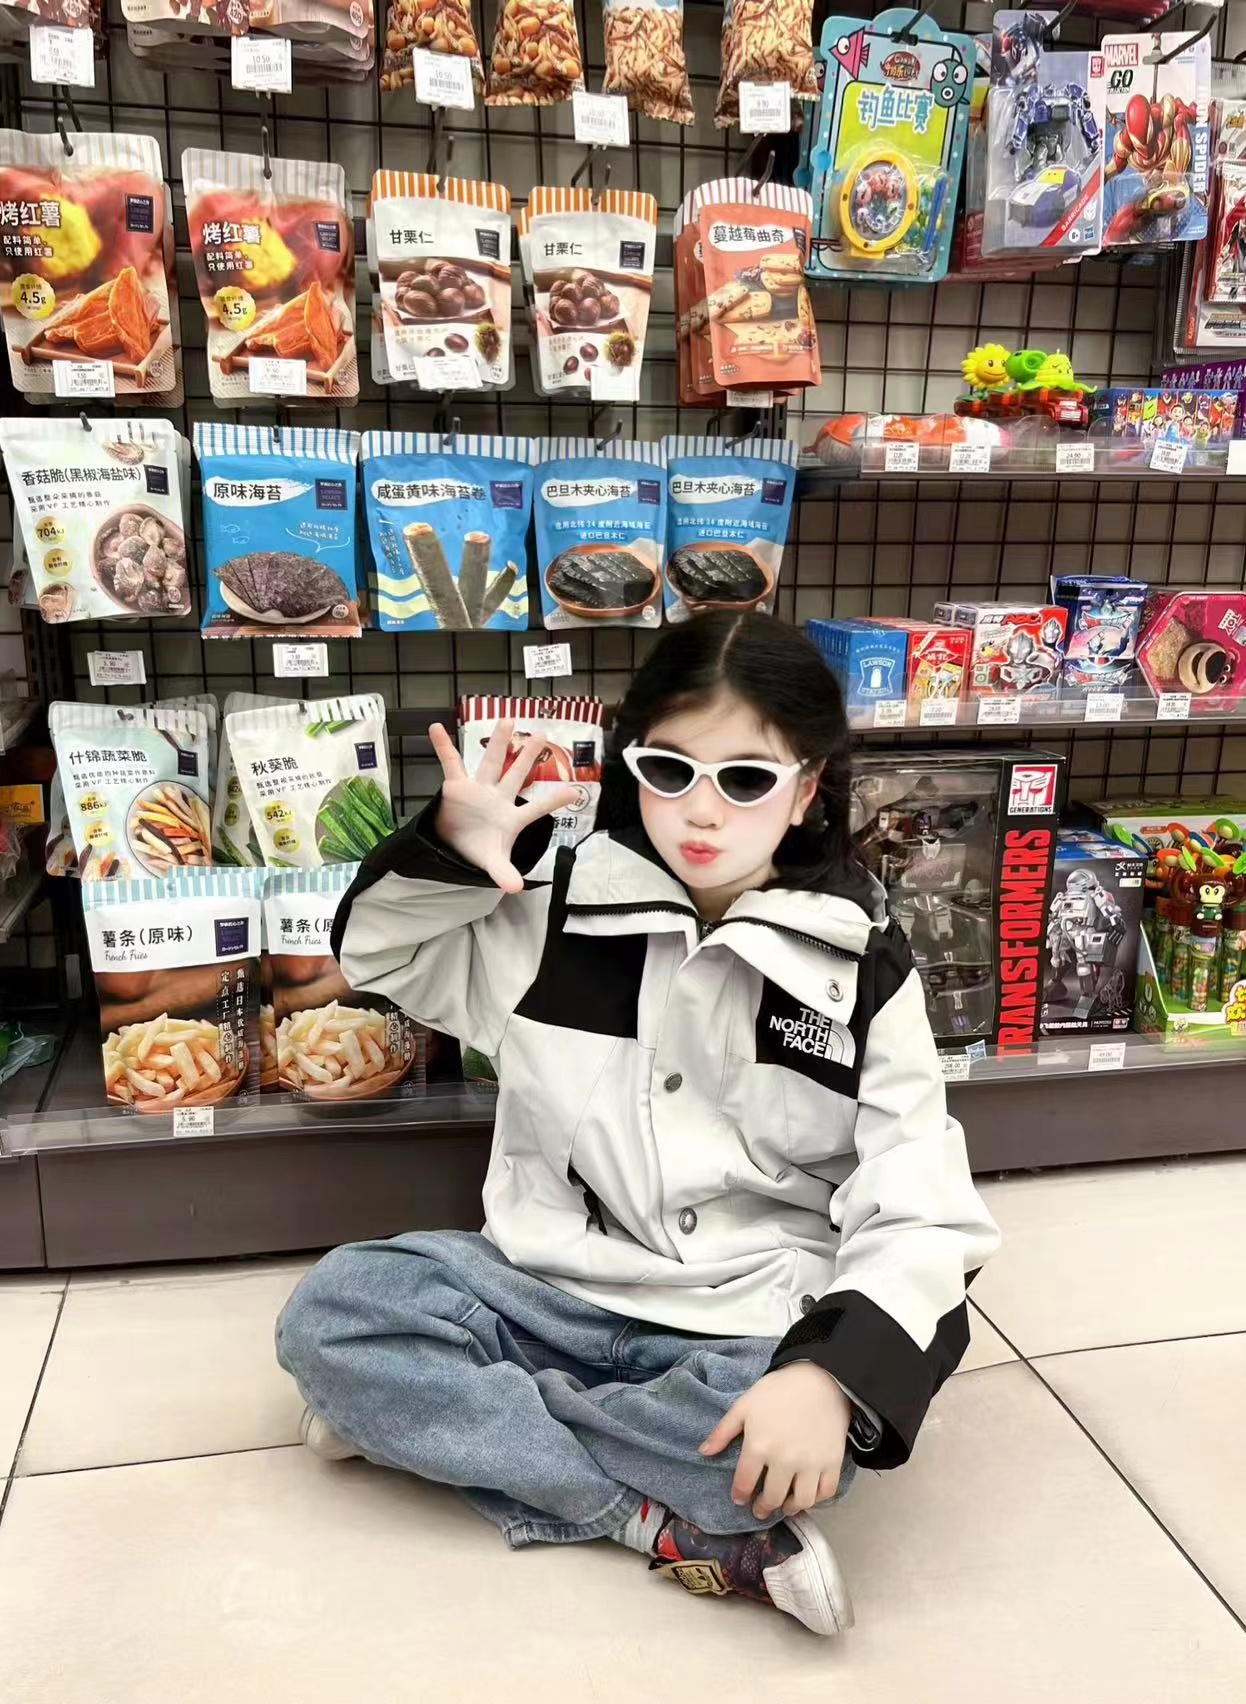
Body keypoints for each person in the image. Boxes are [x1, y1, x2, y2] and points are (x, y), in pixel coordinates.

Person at [276, 611, 1000, 1636]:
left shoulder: (861, 967)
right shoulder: (553, 912)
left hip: (749, 1317)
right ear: (631, 766)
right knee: (336, 1310)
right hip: (545, 1290)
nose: (701, 812)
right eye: (669, 771)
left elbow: (921, 1204)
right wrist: (452, 851)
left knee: (821, 1434)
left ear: (807, 790)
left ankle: (449, 1423)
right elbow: (385, 960)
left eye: (746, 779)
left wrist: (823, 1378)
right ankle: (655, 1519)